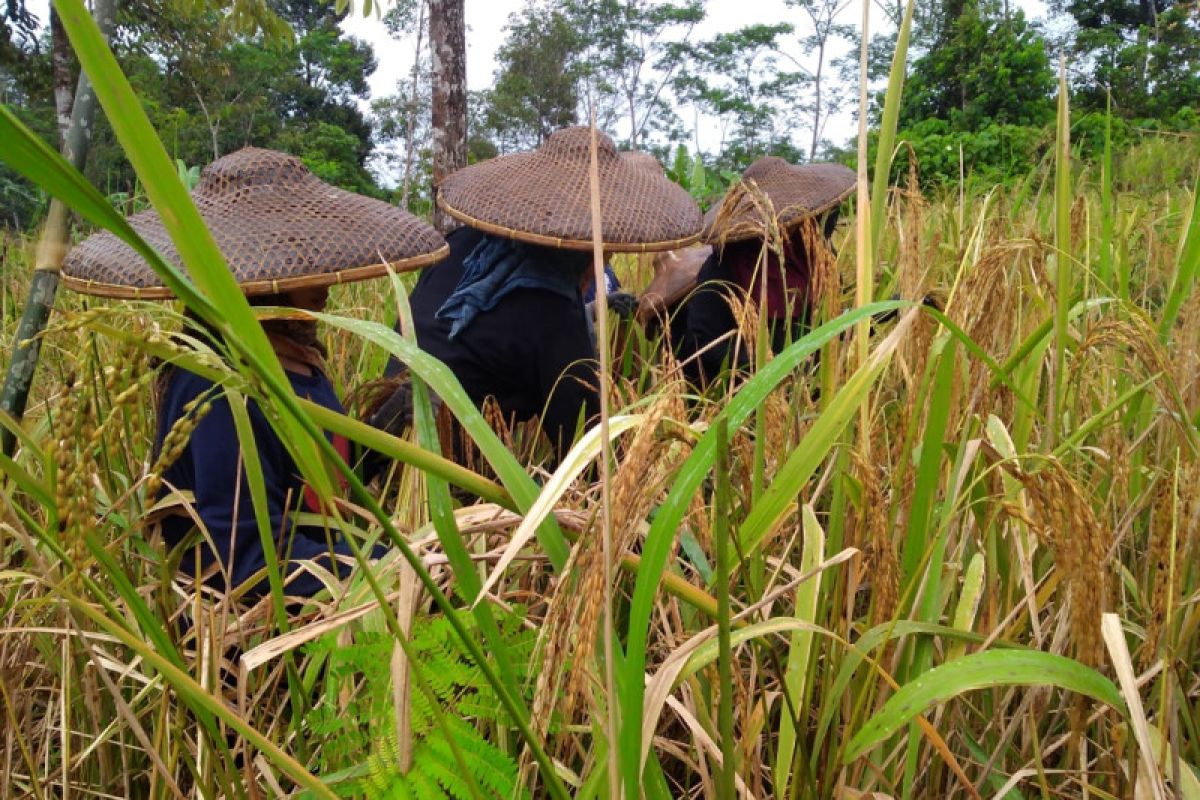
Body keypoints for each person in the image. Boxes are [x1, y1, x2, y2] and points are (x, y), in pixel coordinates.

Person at [61, 147, 449, 599]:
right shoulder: (221, 390)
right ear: (259, 284)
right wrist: (400, 566)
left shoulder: (294, 356)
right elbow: (246, 558)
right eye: (299, 263)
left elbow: (312, 486)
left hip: (328, 597)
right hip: (259, 637)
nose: (324, 278)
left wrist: (384, 431)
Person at [381, 126, 703, 460]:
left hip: (381, 430)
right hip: (439, 457)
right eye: (604, 254)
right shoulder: (552, 310)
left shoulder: (464, 244)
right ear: (582, 253)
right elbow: (585, 446)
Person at [677, 157, 854, 388]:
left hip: (811, 388)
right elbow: (706, 346)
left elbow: (830, 323)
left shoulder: (816, 260)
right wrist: (776, 365)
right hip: (745, 392)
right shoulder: (725, 267)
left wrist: (884, 311)